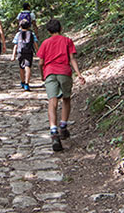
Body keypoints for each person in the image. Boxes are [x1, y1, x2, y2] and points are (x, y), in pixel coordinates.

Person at [36, 19, 85, 152]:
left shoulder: (45, 43)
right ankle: (63, 126)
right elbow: (72, 59)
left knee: (52, 101)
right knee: (66, 99)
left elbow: (41, 62)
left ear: (48, 31)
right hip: (64, 72)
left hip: (50, 72)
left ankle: (53, 130)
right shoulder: (67, 41)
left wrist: (42, 75)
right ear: (61, 28)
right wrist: (79, 74)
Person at [11, 19, 39, 91]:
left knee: (21, 67)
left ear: (20, 26)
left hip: (20, 52)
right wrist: (38, 52)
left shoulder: (18, 34)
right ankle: (27, 83)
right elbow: (35, 43)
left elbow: (15, 45)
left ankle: (22, 82)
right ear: (29, 26)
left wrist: (13, 55)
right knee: (28, 67)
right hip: (29, 52)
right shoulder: (31, 34)